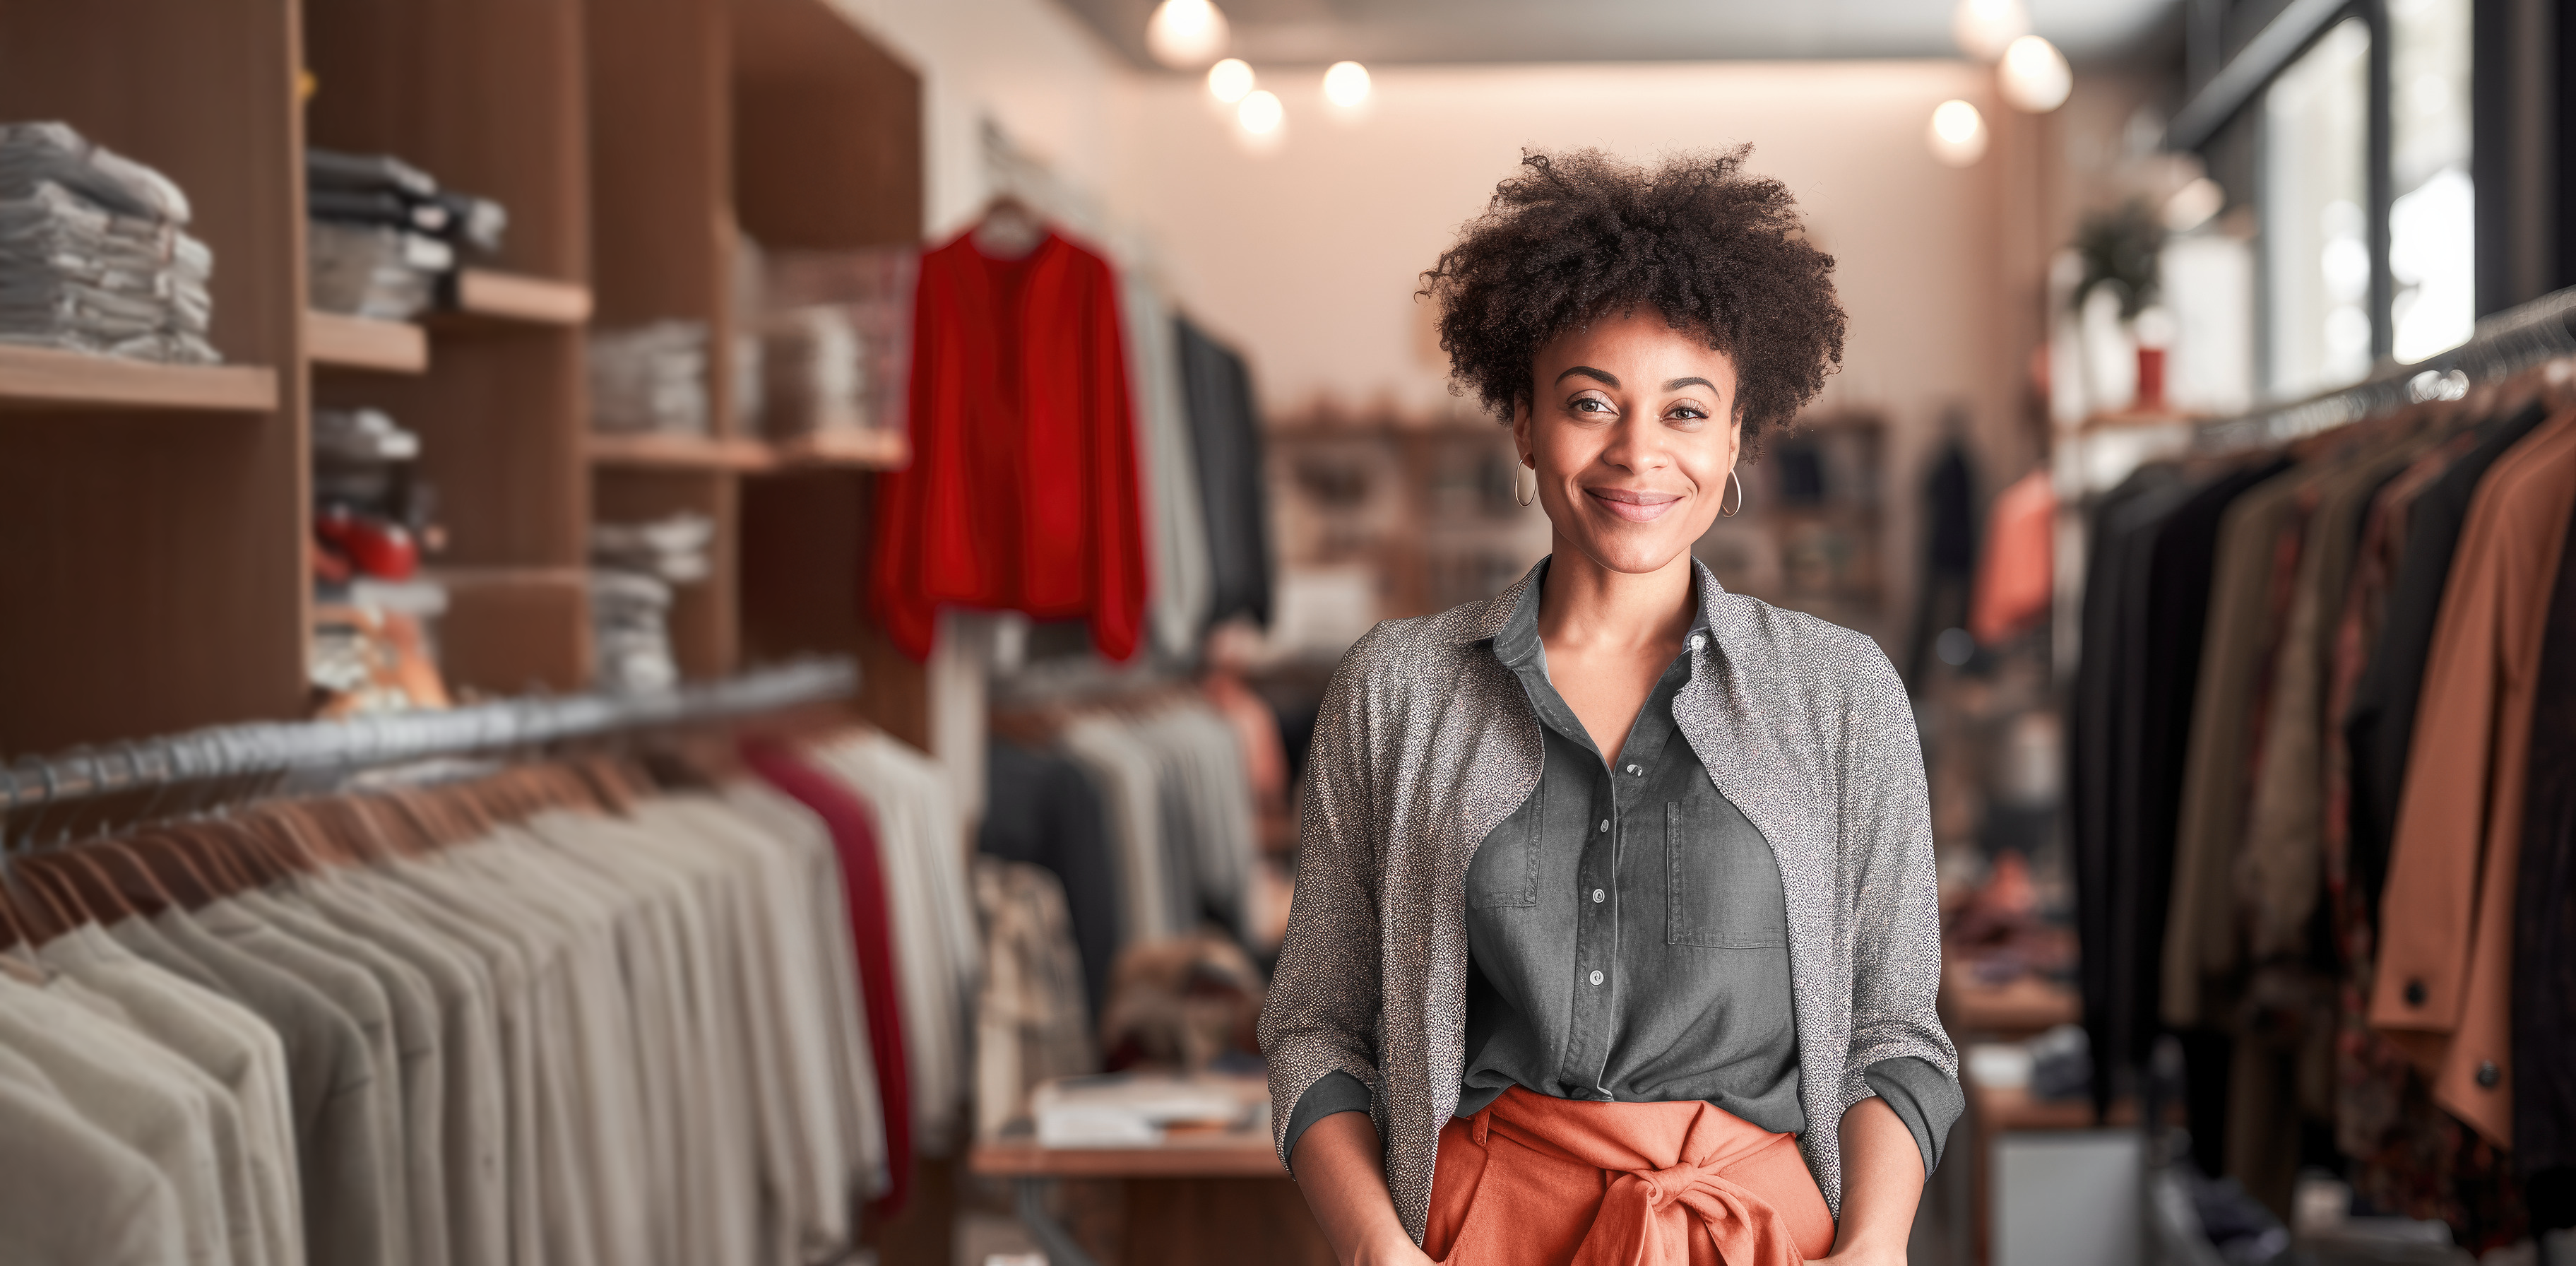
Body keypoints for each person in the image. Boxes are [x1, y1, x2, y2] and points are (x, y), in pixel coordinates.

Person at [1259, 148, 1960, 1266]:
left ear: (1735, 438)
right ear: (1525, 425)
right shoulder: (1396, 689)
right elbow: (1316, 1028)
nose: (1638, 454)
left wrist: (1871, 1247)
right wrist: (1376, 1250)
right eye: (1591, 403)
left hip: (1763, 1235)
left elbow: (1891, 1038)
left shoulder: (1840, 694)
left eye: (1686, 411)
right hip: (1476, 1231)